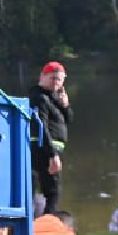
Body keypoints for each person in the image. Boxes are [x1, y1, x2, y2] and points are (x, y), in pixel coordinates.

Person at [27, 61, 72, 215]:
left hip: (53, 148)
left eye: (60, 80)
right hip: (45, 149)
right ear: (42, 76)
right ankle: (47, 226)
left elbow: (67, 121)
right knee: (52, 192)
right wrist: (52, 154)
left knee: (50, 191)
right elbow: (40, 126)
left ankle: (43, 224)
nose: (56, 83)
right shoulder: (39, 97)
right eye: (53, 78)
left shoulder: (54, 98)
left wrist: (65, 105)